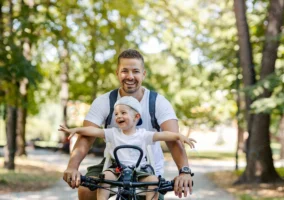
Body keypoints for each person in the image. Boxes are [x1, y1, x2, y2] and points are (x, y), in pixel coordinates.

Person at [63, 49, 194, 199]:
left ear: (143, 74)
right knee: (86, 190)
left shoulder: (158, 102)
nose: (130, 76)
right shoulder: (104, 101)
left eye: (136, 71)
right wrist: (72, 167)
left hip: (147, 167)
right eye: (125, 71)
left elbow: (173, 139)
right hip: (114, 164)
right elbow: (86, 136)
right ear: (117, 73)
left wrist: (184, 172)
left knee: (152, 192)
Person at [59, 96, 196, 200]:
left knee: (154, 180)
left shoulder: (144, 135)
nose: (118, 116)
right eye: (116, 114)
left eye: (123, 113)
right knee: (105, 176)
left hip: (139, 171)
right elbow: (94, 131)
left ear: (136, 117)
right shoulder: (112, 133)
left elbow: (164, 134)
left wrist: (179, 136)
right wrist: (76, 129)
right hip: (117, 169)